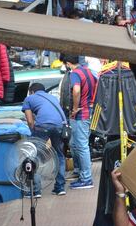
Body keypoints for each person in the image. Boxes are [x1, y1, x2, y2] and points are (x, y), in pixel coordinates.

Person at [22, 82, 67, 196]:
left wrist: (34, 134)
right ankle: (60, 188)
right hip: (60, 126)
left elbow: (30, 121)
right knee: (59, 155)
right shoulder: (53, 98)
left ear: (32, 91)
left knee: (35, 155)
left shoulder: (29, 99)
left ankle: (36, 190)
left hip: (42, 126)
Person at [60, 54, 98, 190]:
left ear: (68, 63)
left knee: (81, 146)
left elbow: (76, 90)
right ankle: (81, 173)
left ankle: (86, 179)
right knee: (77, 144)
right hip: (89, 111)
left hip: (81, 114)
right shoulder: (88, 71)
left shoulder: (75, 74)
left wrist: (75, 108)